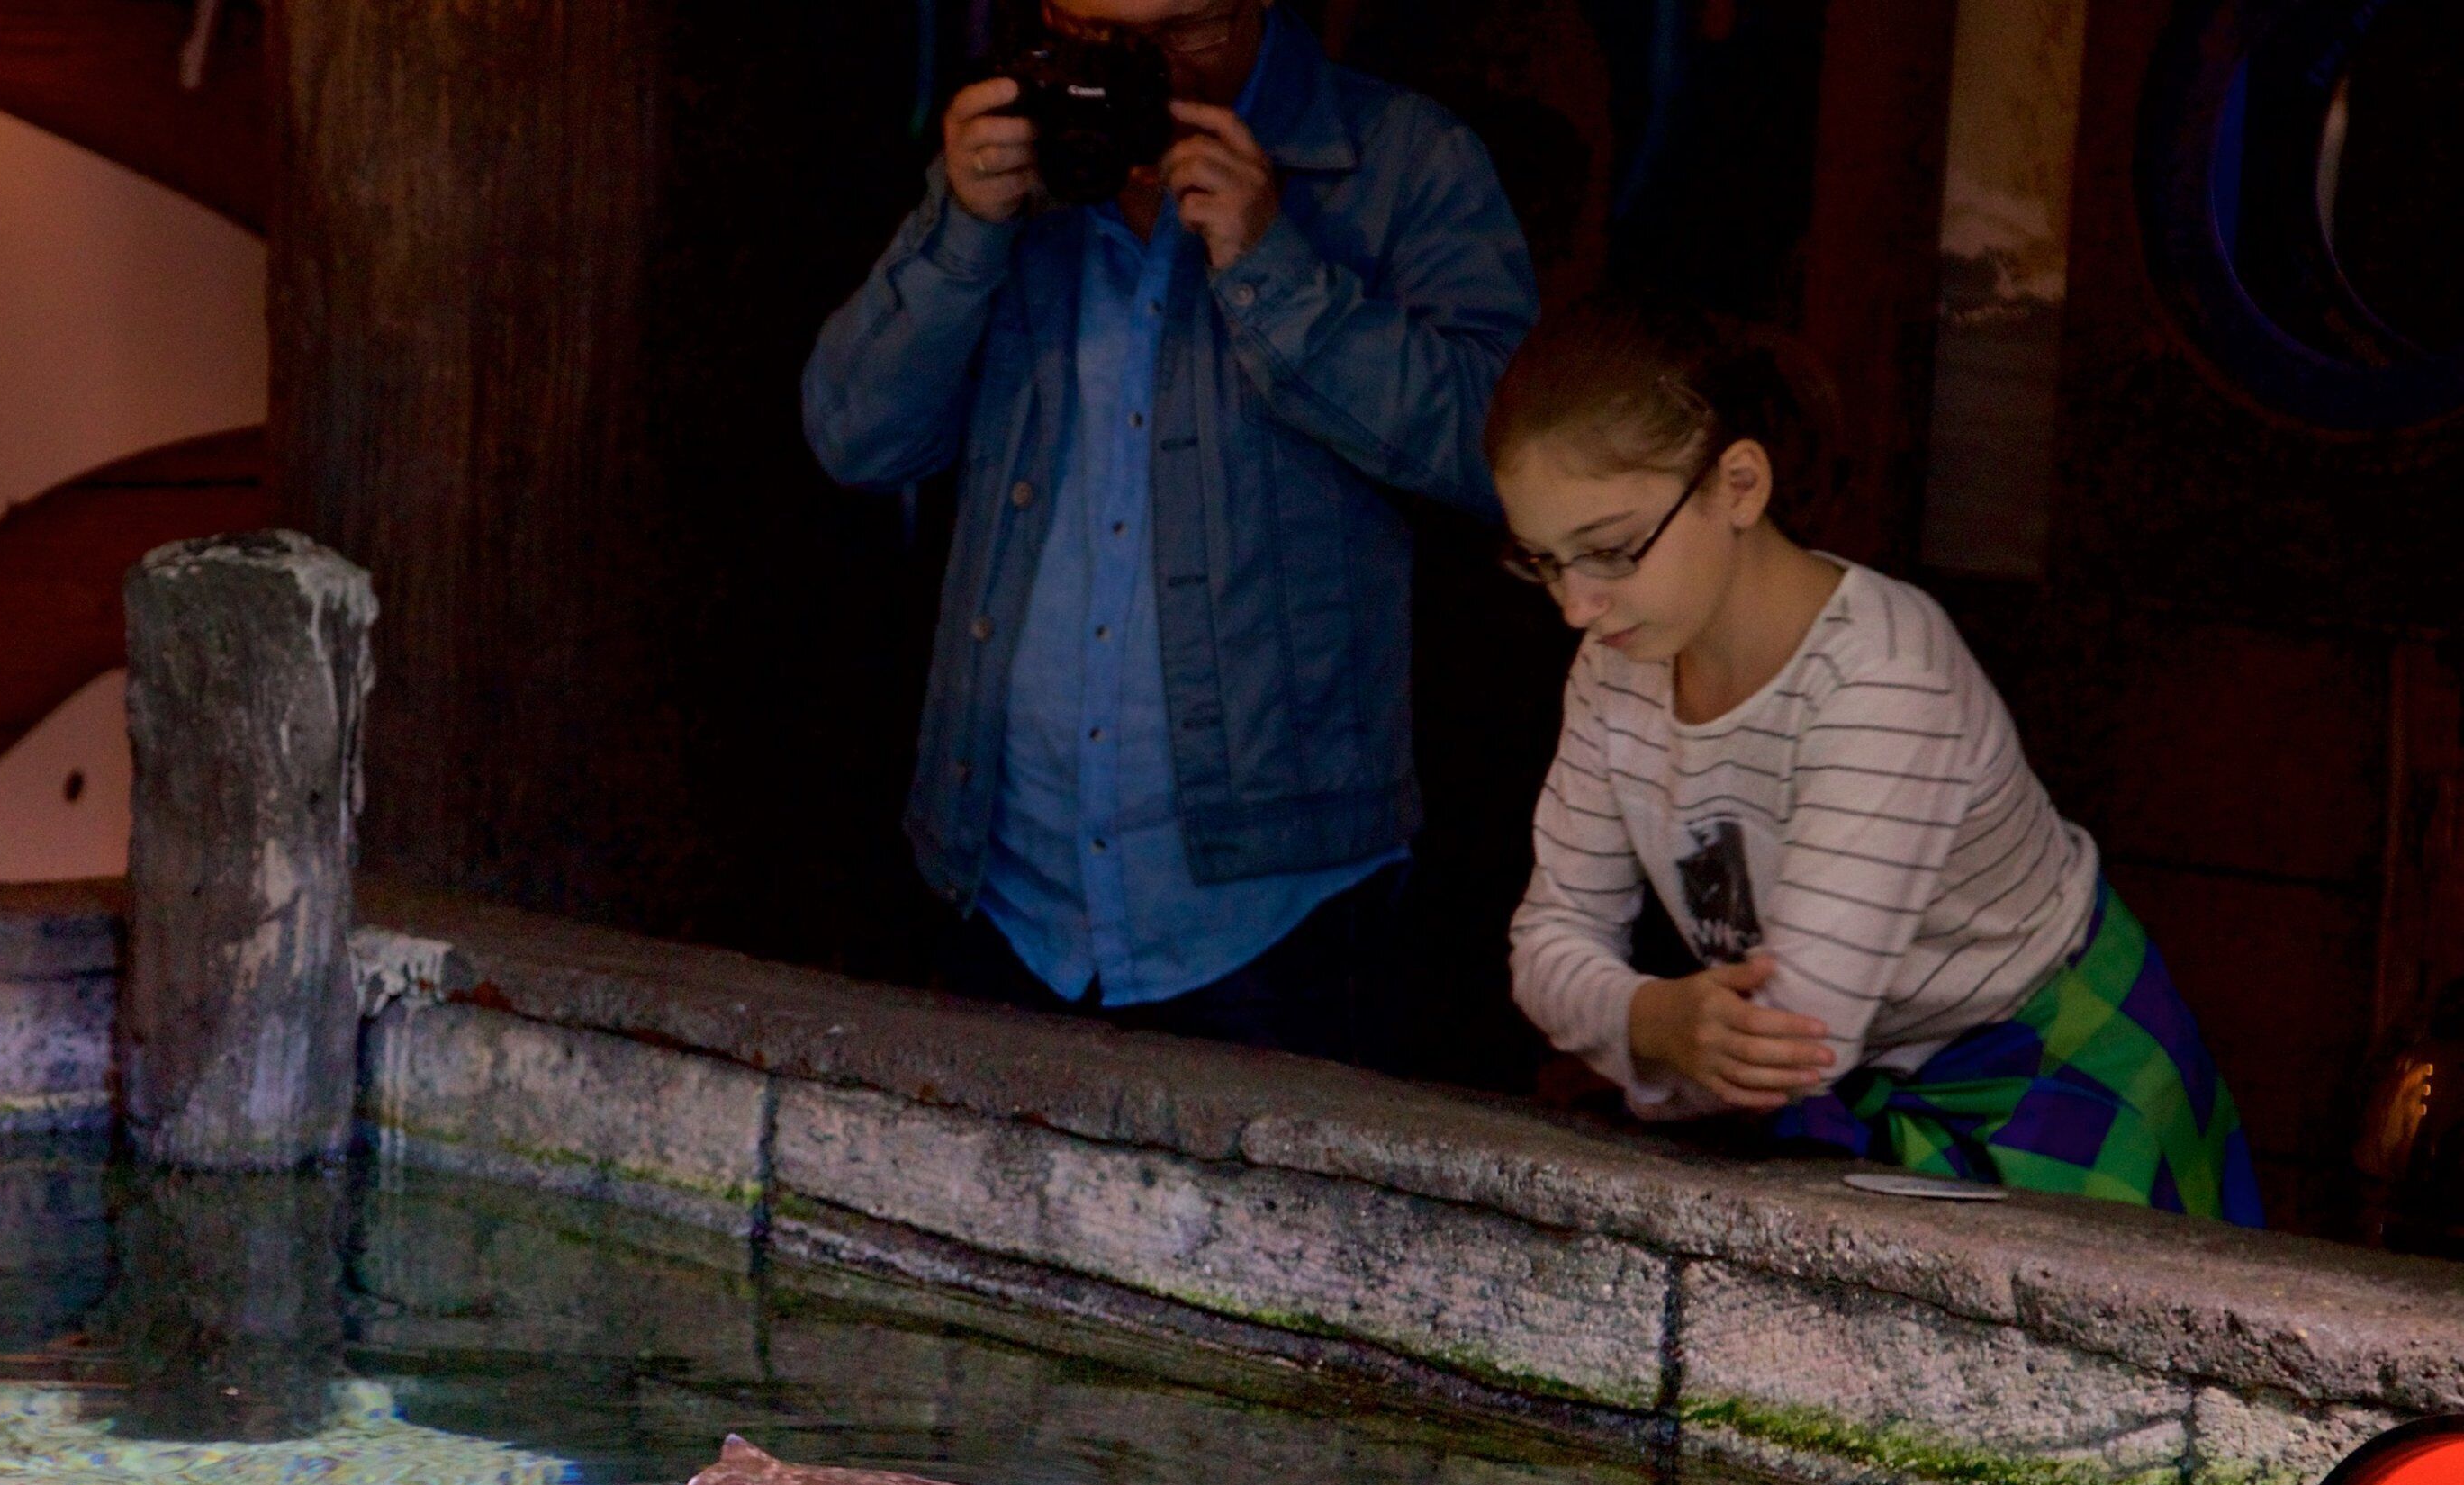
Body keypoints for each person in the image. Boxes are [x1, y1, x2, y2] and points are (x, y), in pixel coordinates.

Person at [804, 0, 1535, 1066]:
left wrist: (1273, 267)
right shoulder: (1013, 156)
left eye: (1179, 34)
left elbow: (1509, 460)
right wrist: (960, 229)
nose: (1133, 70)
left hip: (1276, 908)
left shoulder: (1402, 159)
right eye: (1092, 32)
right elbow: (854, 439)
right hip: (1004, 887)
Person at [1494, 295, 2261, 1222]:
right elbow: (1549, 935)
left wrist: (1636, 1035)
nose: (1578, 605)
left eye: (1611, 551)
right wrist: (1647, 1022)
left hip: (2048, 1072)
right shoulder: (1614, 669)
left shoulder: (1882, 674)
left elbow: (1790, 1042)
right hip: (1853, 1085)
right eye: (1544, 562)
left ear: (1739, 485)